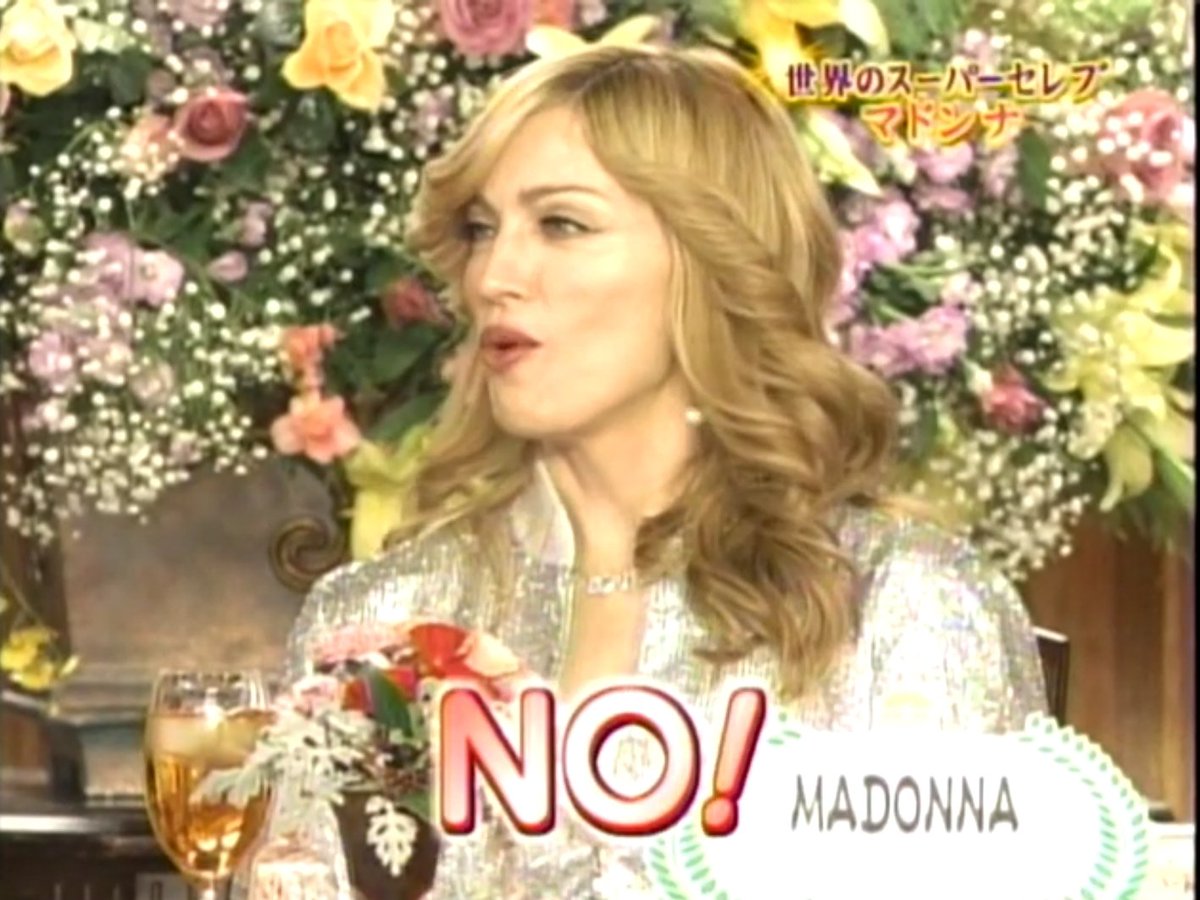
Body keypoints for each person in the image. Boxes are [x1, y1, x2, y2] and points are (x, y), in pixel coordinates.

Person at [261, 43, 1048, 899]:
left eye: (562, 224)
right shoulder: (375, 620)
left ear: (711, 263)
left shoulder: (905, 607)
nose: (494, 276)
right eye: (482, 231)